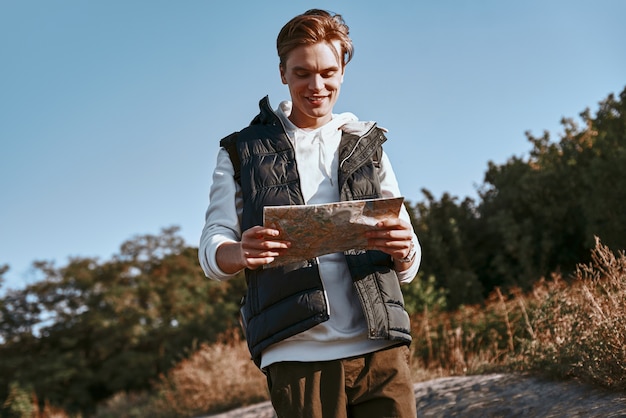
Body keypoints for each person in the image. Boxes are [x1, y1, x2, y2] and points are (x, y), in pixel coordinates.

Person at [199, 9, 421, 418]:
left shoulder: (367, 144)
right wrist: (239, 252)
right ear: (283, 72)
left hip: (381, 348)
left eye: (327, 72)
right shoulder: (239, 150)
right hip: (297, 356)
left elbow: (408, 259)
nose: (316, 86)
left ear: (342, 72)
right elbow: (213, 245)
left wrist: (405, 249)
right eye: (302, 73)